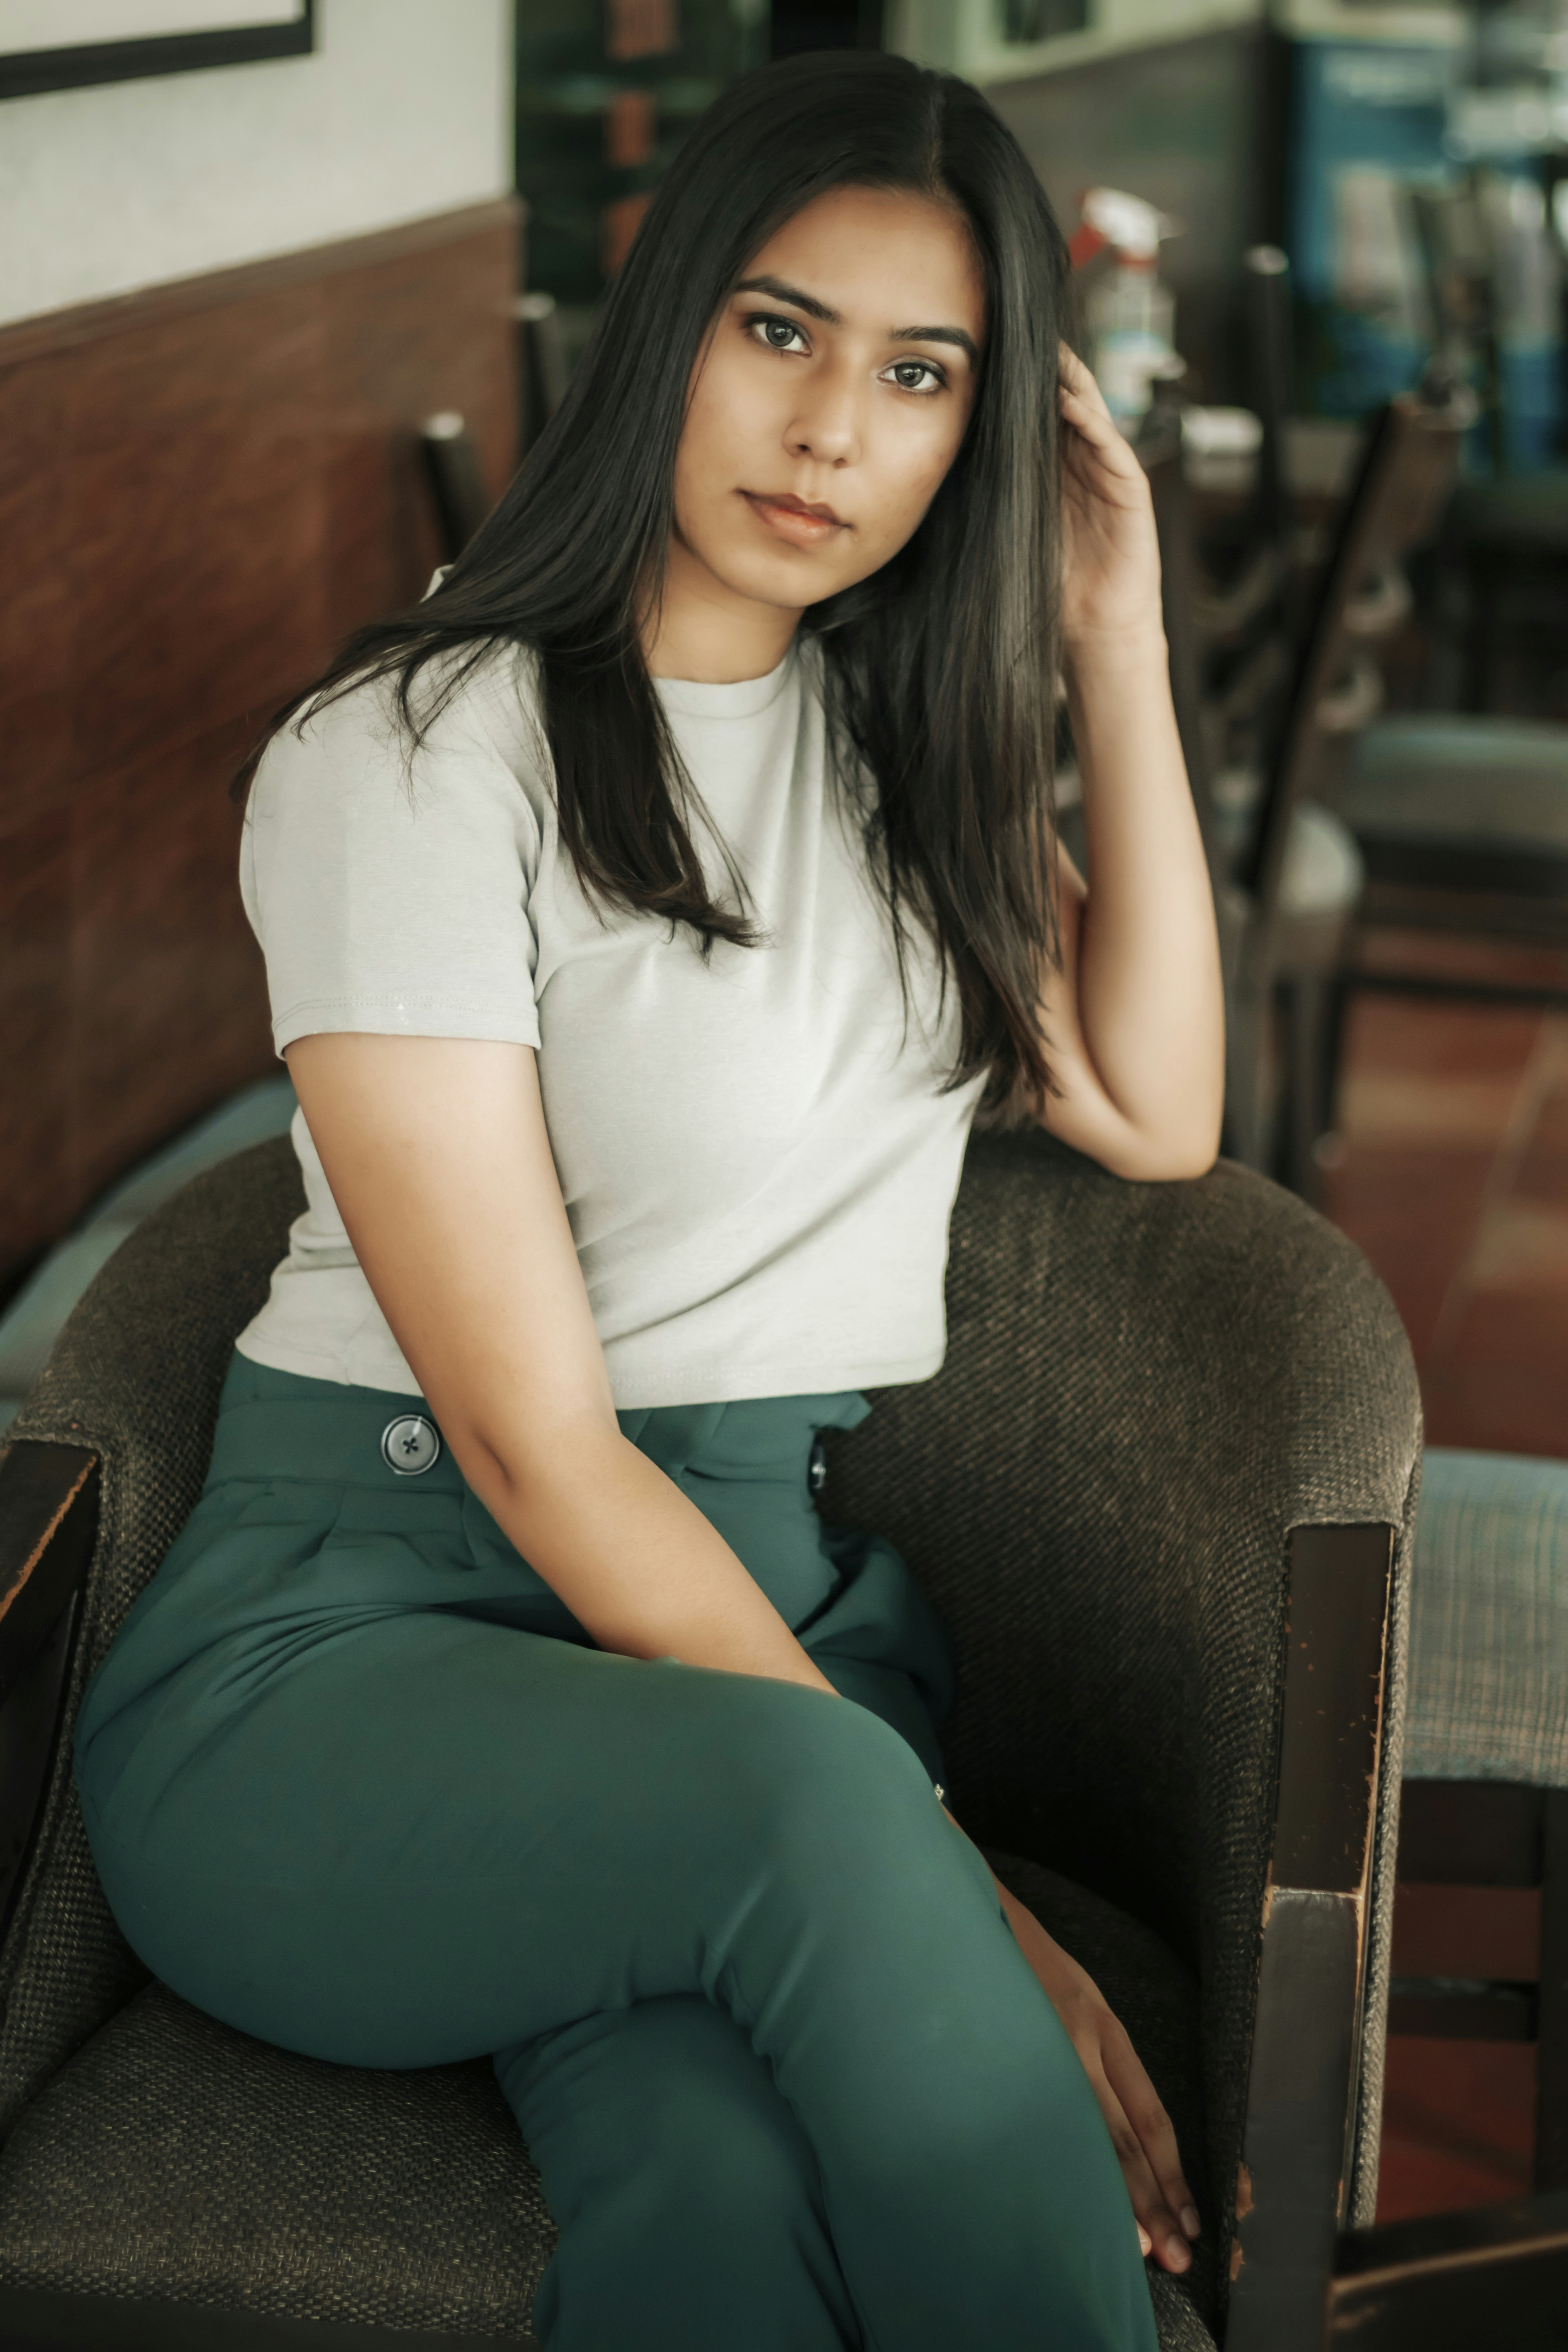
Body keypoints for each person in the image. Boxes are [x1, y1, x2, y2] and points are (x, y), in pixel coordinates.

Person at [72, 47, 1223, 2352]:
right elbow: (526, 1439)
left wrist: (1115, 635)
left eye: (921, 378)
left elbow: (1163, 1116)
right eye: (781, 332)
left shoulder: (905, 764)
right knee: (812, 1832)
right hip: (355, 1653)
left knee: (707, 2200)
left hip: (743, 1638)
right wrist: (947, 1892)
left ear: (975, 438)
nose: (831, 434)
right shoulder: (413, 756)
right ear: (666, 319)